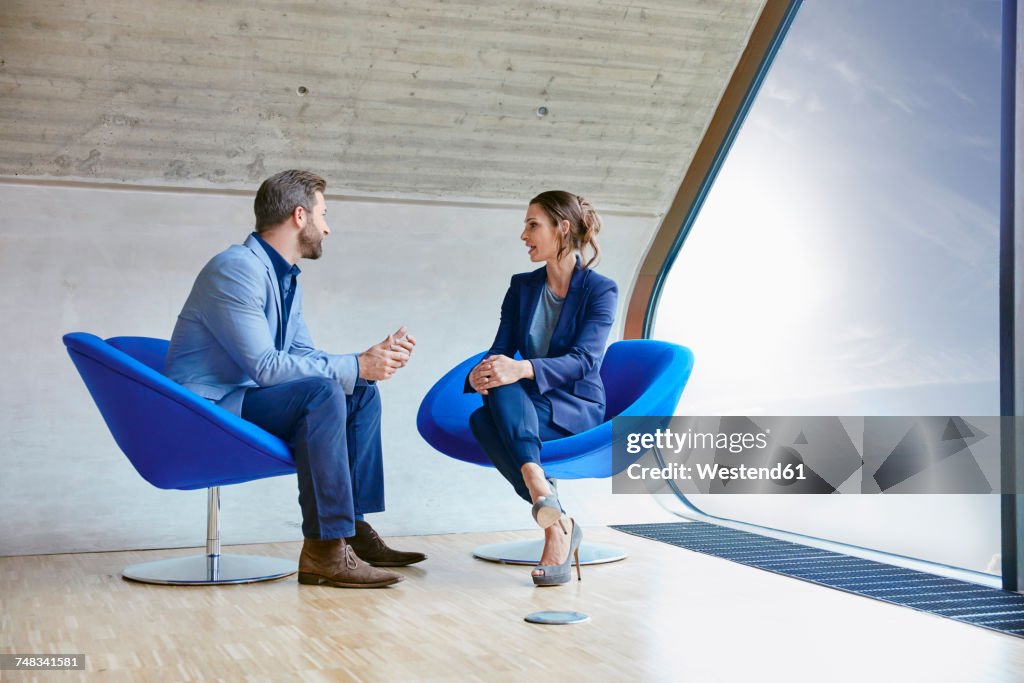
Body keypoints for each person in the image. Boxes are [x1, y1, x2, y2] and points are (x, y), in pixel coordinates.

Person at [165, 169, 425, 589]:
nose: (328, 227)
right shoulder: (235, 269)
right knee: (326, 390)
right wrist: (356, 363)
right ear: (299, 216)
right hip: (204, 411)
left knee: (358, 392)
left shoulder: (285, 278)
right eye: (324, 214)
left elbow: (301, 356)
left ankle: (350, 530)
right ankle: (324, 550)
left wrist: (365, 363)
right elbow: (267, 367)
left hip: (241, 399)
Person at [465, 191, 617, 586]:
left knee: (488, 417)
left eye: (533, 225)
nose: (524, 234)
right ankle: (556, 520)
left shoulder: (600, 290)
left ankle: (547, 506)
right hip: (530, 404)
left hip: (575, 406)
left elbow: (585, 360)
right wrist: (478, 375)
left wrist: (520, 368)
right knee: (489, 400)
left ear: (562, 228)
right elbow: (499, 349)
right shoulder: (522, 287)